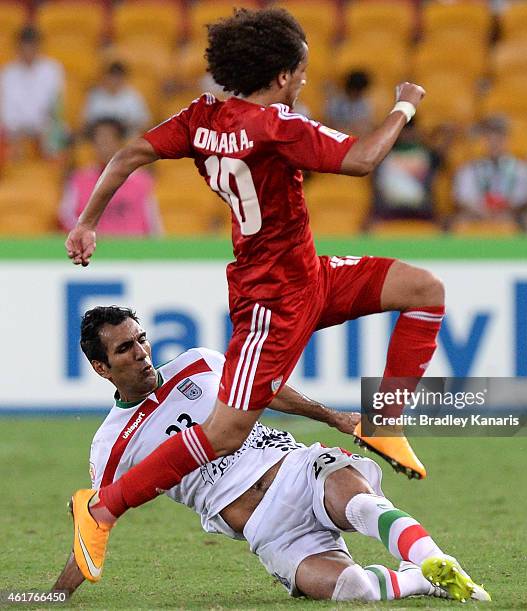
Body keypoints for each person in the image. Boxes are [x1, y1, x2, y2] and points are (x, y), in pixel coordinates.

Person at [64, 8, 445, 583]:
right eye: (303, 72)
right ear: (285, 74)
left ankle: (386, 419)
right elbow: (363, 160)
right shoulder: (277, 125)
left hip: (308, 274)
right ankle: (102, 508)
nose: (305, 82)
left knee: (424, 290)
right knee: (223, 433)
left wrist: (88, 220)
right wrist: (405, 104)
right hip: (272, 300)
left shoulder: (200, 118)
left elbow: (130, 154)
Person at [53, 306, 489, 603]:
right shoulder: (112, 443)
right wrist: (58, 593)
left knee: (359, 502)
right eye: (125, 349)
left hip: (296, 469)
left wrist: (334, 417)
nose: (142, 353)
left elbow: (267, 391)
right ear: (101, 368)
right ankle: (421, 580)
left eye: (141, 339)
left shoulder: (198, 364)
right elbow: (97, 519)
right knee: (352, 588)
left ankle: (438, 560)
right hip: (266, 529)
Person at [59, 117, 162, 236]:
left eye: (109, 140)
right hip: (94, 250)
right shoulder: (78, 180)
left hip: (133, 249)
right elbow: (66, 217)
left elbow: (153, 223)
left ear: (120, 142)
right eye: (99, 141)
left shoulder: (141, 181)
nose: (104, 146)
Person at [453, 115, 527, 228]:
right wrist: (484, 213)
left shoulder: (521, 169)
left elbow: (522, 198)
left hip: (511, 217)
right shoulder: (468, 170)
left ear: (507, 140)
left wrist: (505, 211)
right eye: (489, 139)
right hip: (477, 217)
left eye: (499, 139)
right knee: (460, 223)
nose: (494, 143)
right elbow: (464, 199)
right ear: (483, 141)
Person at [0, 25, 65, 158]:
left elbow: (55, 106)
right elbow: (7, 110)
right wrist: (18, 129)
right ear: (17, 48)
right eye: (24, 47)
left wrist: (41, 128)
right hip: (16, 131)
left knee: (57, 133)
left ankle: (51, 170)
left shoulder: (52, 70)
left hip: (45, 128)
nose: (28, 51)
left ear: (39, 46)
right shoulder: (7, 73)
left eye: (32, 46)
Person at [371, 118, 445, 222]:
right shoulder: (383, 155)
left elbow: (442, 160)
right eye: (403, 130)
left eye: (410, 130)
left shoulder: (426, 154)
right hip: (388, 209)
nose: (406, 135)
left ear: (415, 131)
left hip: (421, 209)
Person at [83, 62, 151, 135]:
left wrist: (126, 126)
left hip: (126, 138)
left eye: (118, 77)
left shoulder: (132, 96)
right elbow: (86, 123)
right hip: (99, 138)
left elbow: (145, 123)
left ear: (123, 78)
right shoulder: (95, 95)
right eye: (112, 77)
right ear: (105, 77)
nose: (114, 81)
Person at [325, 70, 374, 137]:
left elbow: (365, 127)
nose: (358, 94)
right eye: (356, 91)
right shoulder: (336, 102)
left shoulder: (364, 104)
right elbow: (330, 126)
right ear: (351, 88)